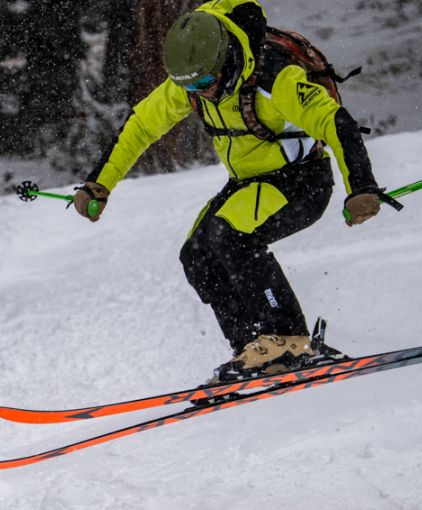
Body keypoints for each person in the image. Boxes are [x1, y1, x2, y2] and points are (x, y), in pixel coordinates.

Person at [71, 0, 395, 381]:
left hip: (300, 182)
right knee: (196, 256)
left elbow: (334, 122)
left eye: (204, 84)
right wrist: (99, 184)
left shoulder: (276, 78)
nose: (199, 94)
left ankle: (288, 339)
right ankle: (252, 348)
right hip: (248, 185)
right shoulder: (195, 80)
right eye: (188, 87)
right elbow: (141, 126)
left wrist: (360, 186)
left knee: (231, 237)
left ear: (227, 61)